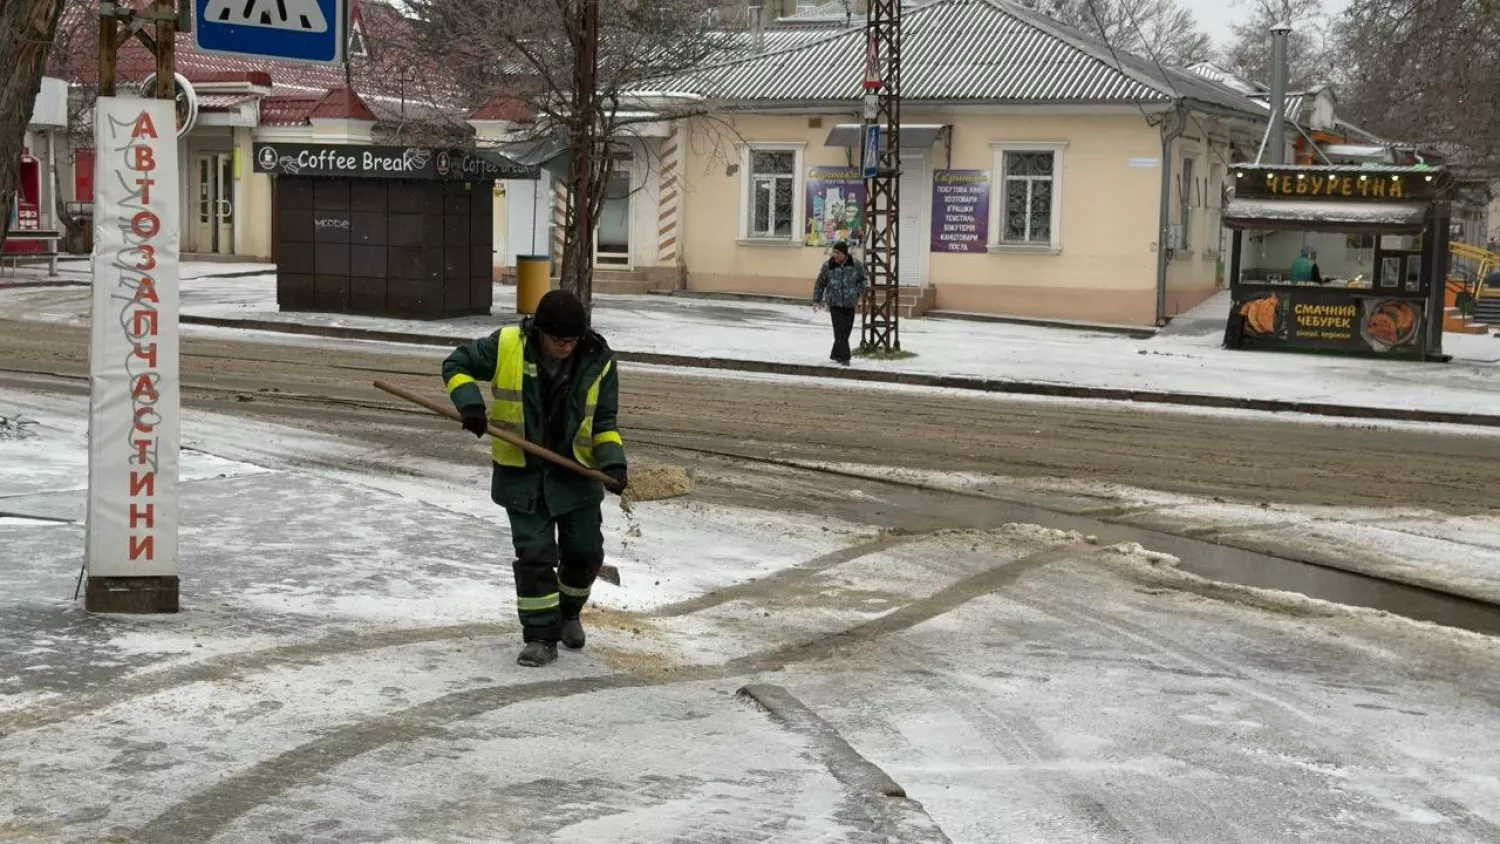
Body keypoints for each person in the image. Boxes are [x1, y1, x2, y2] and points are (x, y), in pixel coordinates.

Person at [441, 289, 628, 668]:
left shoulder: (599, 361)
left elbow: (604, 423)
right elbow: (456, 364)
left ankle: (568, 613)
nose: (565, 347)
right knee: (535, 557)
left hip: (575, 473)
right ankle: (541, 637)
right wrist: (471, 406)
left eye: (572, 340)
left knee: (586, 552)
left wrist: (613, 463)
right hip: (522, 476)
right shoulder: (508, 345)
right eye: (558, 340)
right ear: (540, 332)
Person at [812, 241, 868, 366]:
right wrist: (817, 300)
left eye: (837, 253)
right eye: (834, 252)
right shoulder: (828, 265)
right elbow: (820, 283)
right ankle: (845, 357)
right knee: (839, 331)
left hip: (849, 303)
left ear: (844, 253)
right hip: (835, 303)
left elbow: (863, 280)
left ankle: (836, 354)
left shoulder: (856, 265)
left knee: (845, 332)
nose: (835, 255)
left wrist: (856, 293)